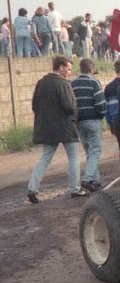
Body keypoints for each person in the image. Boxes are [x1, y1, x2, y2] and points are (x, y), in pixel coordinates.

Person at [27, 56, 87, 203]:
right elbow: (69, 106)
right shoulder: (63, 83)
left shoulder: (41, 83)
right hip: (65, 127)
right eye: (68, 68)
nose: (69, 72)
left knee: (45, 157)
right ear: (60, 68)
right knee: (73, 157)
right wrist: (74, 117)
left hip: (47, 127)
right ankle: (75, 189)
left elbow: (34, 105)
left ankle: (32, 189)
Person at [71, 58, 106, 191]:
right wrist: (102, 114)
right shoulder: (94, 82)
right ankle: (87, 178)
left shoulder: (72, 83)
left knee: (89, 151)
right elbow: (100, 103)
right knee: (95, 150)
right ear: (91, 69)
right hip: (93, 120)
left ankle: (95, 182)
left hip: (79, 121)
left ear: (80, 69)